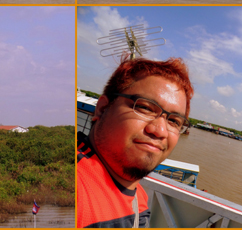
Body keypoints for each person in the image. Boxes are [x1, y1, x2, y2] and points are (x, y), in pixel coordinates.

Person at [77, 56, 194, 228]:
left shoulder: (139, 198)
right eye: (145, 108)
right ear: (102, 109)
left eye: (174, 121)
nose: (160, 131)